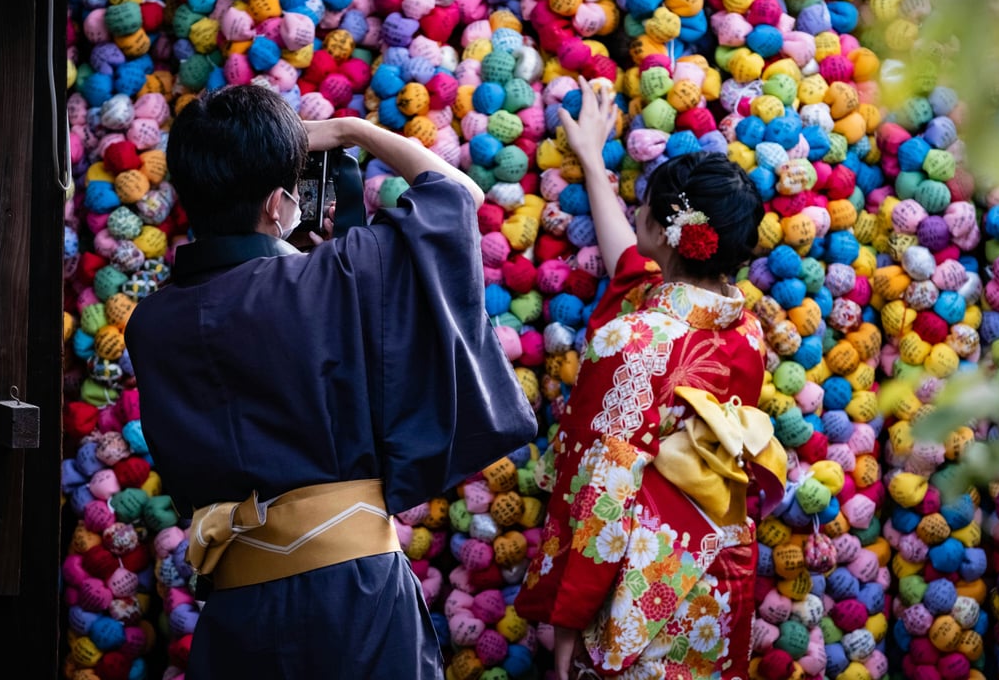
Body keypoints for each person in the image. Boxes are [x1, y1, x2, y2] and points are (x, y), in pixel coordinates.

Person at [126, 85, 537, 679]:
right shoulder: (338, 275)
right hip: (356, 599)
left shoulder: (150, 324)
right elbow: (458, 196)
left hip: (237, 609)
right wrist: (350, 131)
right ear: (277, 204)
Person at [513, 79, 787, 680]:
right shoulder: (745, 332)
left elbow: (602, 487)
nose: (635, 212)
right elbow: (633, 264)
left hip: (640, 588)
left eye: (644, 206)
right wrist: (591, 159)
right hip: (716, 571)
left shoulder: (632, 339)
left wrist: (567, 616)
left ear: (666, 232)